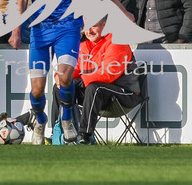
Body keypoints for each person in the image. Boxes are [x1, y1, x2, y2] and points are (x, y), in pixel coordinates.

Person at [8, 0, 134, 145]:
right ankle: (40, 119)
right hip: (40, 31)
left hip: (68, 28)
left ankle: (66, 118)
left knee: (65, 77)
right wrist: (16, 31)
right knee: (37, 90)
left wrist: (121, 10)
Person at [51, 17, 142, 145]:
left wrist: (81, 80)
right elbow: (75, 67)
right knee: (61, 87)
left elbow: (109, 73)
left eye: (93, 26)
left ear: (104, 25)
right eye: (85, 27)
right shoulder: (84, 44)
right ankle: (57, 133)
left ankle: (85, 136)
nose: (89, 31)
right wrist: (61, 76)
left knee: (95, 88)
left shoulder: (117, 41)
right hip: (98, 96)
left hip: (126, 94)